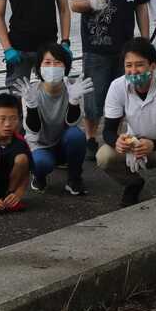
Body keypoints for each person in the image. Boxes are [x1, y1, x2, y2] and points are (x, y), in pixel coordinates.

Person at [69, 0, 151, 160]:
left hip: (126, 48)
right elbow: (74, 3)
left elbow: (141, 7)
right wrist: (90, 4)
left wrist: (144, 40)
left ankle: (120, 137)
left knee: (126, 94)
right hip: (96, 47)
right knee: (94, 97)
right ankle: (90, 138)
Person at [96, 38, 156, 206]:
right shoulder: (117, 87)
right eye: (128, 65)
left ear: (153, 66)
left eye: (139, 65)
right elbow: (108, 131)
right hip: (134, 145)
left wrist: (153, 144)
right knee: (104, 156)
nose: (133, 71)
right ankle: (132, 183)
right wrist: (116, 142)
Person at [13, 43, 94, 196]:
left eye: (57, 62)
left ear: (65, 66)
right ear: (39, 67)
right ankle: (39, 177)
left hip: (62, 143)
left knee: (76, 135)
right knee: (41, 163)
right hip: (40, 145)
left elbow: (73, 124)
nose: (52, 67)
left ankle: (74, 178)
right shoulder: (31, 91)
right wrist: (31, 106)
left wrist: (74, 101)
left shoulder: (73, 88)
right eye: (47, 62)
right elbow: (33, 130)